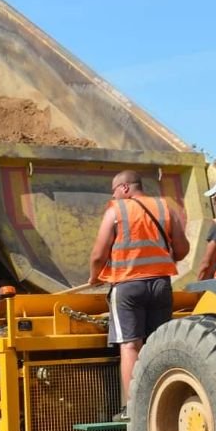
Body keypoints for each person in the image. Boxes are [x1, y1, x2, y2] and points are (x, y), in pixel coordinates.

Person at [88, 169, 190, 410]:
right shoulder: (166, 208)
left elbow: (98, 254)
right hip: (161, 285)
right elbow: (183, 249)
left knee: (130, 345)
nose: (113, 196)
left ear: (124, 188)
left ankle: (135, 408)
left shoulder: (117, 211)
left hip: (127, 286)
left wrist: (94, 277)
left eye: (114, 191)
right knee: (158, 344)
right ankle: (163, 404)